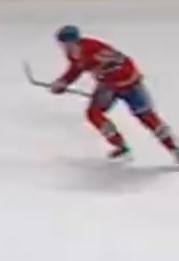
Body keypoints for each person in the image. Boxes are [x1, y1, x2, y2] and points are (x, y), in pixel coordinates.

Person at [47, 26, 179, 160]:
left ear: (73, 41)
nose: (63, 47)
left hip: (129, 83)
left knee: (147, 117)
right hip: (109, 85)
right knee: (94, 113)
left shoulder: (93, 48)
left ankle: (174, 148)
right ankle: (120, 145)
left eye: (65, 43)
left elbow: (121, 65)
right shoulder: (73, 54)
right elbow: (76, 69)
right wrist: (63, 82)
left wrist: (115, 86)